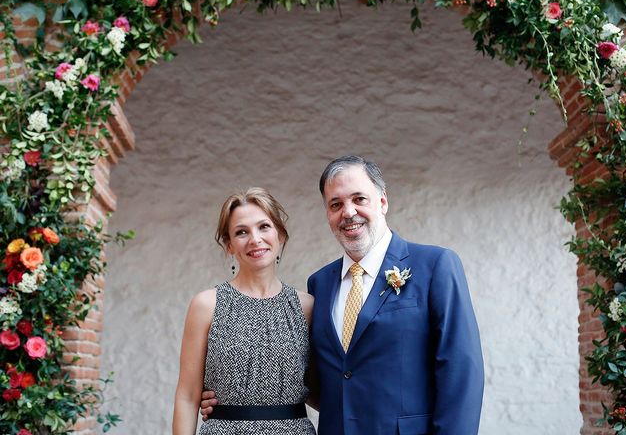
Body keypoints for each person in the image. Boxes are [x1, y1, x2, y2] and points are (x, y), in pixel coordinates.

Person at [201, 156, 484, 434]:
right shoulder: (320, 284)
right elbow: (315, 376)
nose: (348, 212)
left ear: (382, 201)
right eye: (336, 204)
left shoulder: (434, 266)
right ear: (327, 214)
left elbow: (461, 373)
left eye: (359, 199)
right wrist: (233, 400)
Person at [172, 187, 316, 435]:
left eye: (264, 227)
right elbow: (187, 396)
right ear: (229, 245)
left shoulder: (307, 307)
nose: (255, 239)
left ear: (280, 235)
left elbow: (320, 388)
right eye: (241, 232)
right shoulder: (207, 305)